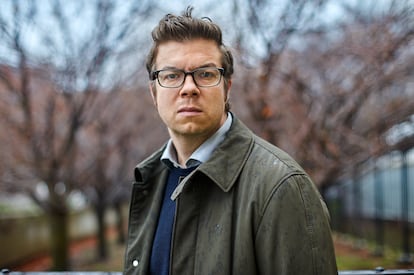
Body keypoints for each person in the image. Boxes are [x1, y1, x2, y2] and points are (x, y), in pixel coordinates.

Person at [124, 6, 338, 275]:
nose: (189, 88)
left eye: (205, 74)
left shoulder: (281, 187)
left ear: (227, 87)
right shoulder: (150, 179)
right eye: (171, 75)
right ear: (154, 93)